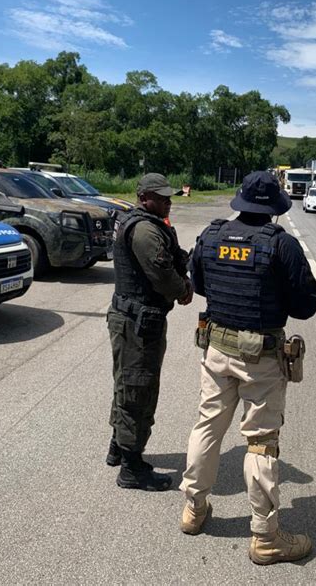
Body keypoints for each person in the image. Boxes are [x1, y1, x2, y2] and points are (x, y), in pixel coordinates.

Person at [180, 171, 316, 565]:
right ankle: (265, 537)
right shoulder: (282, 245)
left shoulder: (211, 236)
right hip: (260, 359)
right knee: (260, 441)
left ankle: (193, 510)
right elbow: (307, 305)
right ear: (274, 208)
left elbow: (202, 284)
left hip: (215, 349)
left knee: (207, 424)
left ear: (240, 201)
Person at [107, 172, 193, 491]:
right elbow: (161, 273)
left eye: (169, 196)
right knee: (137, 389)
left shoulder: (150, 223)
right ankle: (132, 467)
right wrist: (184, 290)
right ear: (144, 198)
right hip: (137, 323)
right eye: (161, 197)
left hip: (134, 318)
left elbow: (172, 257)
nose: (168, 201)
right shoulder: (144, 229)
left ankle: (120, 446)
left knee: (126, 384)